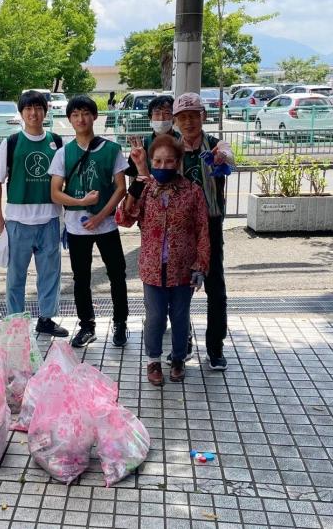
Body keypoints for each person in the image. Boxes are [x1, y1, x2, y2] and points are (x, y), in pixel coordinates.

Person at [117, 135, 210, 386]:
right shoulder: (145, 189)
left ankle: (178, 358)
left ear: (178, 162)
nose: (163, 165)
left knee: (180, 316)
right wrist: (138, 178)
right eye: (157, 160)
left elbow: (203, 229)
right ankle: (153, 360)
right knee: (156, 316)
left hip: (183, 268)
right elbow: (124, 219)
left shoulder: (193, 192)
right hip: (152, 267)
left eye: (169, 161)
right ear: (151, 160)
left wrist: (201, 265)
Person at [49, 95, 129, 348]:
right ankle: (87, 325)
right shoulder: (64, 152)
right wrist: (82, 203)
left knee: (117, 274)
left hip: (106, 225)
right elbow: (55, 192)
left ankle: (120, 323)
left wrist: (101, 215)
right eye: (75, 115)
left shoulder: (112, 149)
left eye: (85, 113)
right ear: (69, 119)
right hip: (76, 226)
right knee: (80, 278)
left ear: (95, 116)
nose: (80, 119)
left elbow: (120, 188)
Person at [0, 91, 67, 337]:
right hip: (18, 221)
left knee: (50, 274)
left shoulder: (57, 141)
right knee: (16, 276)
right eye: (28, 108)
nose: (34, 113)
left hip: (50, 220)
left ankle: (46, 318)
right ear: (22, 113)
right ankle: (15, 321)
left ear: (46, 111)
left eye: (38, 108)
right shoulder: (11, 142)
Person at [172, 92, 235, 371]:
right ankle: (181, 342)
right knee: (178, 289)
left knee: (215, 288)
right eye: (183, 117)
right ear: (175, 121)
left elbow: (229, 157)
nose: (188, 122)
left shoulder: (215, 145)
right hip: (179, 227)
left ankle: (215, 347)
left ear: (203, 117)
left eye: (193, 116)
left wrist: (223, 157)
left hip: (210, 223)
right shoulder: (170, 149)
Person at [124, 95, 176, 175]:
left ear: (174, 118)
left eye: (167, 113)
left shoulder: (181, 141)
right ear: (150, 118)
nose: (161, 118)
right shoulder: (144, 144)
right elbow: (132, 173)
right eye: (157, 113)